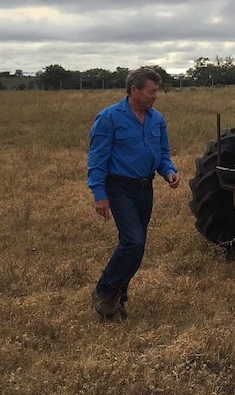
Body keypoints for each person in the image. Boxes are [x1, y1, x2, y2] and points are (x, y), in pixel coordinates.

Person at [87, 67, 180, 320]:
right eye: (151, 91)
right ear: (134, 90)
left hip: (144, 187)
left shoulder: (157, 119)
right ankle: (104, 291)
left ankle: (117, 299)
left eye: (156, 92)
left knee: (135, 247)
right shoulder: (109, 118)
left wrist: (169, 172)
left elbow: (162, 154)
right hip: (119, 188)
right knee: (133, 241)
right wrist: (99, 194)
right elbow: (97, 159)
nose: (155, 96)